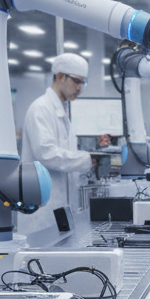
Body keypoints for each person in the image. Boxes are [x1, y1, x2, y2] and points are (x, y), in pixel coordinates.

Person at [20, 53, 92, 235]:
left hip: (61, 209)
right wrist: (86, 160)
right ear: (60, 76)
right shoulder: (41, 108)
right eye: (77, 81)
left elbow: (64, 152)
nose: (80, 88)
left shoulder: (62, 110)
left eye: (83, 83)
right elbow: (47, 154)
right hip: (43, 211)